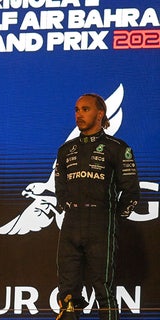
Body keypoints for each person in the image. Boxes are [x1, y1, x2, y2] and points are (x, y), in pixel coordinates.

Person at [54, 93, 140, 320]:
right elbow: (59, 187)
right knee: (68, 294)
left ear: (100, 114)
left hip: (101, 223)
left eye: (85, 109)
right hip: (72, 222)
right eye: (76, 109)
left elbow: (131, 191)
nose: (79, 114)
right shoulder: (65, 150)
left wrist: (112, 217)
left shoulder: (118, 148)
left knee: (103, 289)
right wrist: (67, 207)